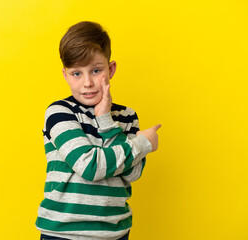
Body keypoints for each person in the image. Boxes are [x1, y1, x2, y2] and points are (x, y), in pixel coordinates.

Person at [35, 21, 161, 240]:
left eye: (96, 70)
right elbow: (89, 166)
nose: (88, 83)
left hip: (114, 232)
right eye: (77, 74)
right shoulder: (59, 112)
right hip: (63, 233)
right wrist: (142, 144)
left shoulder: (127, 116)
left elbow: (132, 172)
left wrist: (105, 119)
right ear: (65, 75)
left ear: (110, 69)